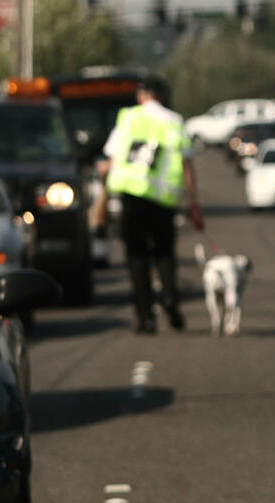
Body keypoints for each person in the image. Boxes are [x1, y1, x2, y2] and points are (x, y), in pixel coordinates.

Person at [99, 76, 203, 334]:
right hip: (162, 201)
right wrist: (194, 205)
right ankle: (169, 299)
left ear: (141, 95)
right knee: (165, 254)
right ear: (162, 96)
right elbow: (187, 166)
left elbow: (110, 160)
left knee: (137, 259)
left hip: (132, 199)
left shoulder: (128, 118)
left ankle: (145, 317)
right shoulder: (175, 121)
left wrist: (102, 194)